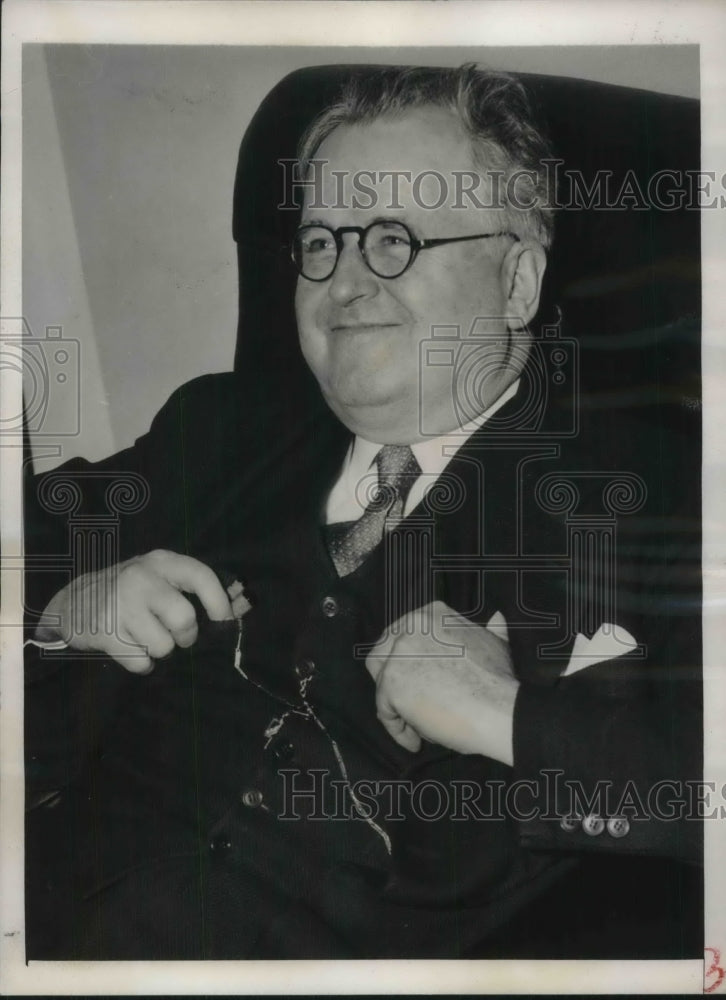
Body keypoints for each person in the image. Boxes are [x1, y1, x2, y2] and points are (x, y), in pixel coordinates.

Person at [25, 65, 701, 960]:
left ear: (517, 284)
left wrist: (504, 713)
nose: (343, 284)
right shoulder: (220, 425)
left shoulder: (656, 487)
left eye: (393, 239)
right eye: (321, 242)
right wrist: (62, 611)